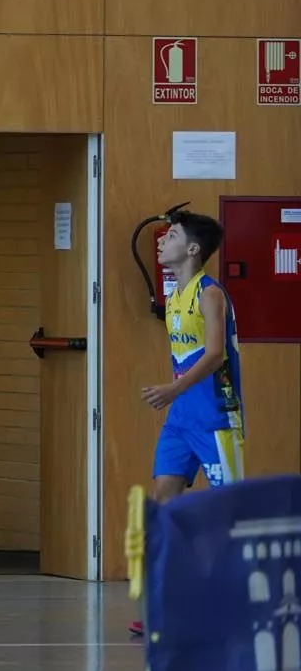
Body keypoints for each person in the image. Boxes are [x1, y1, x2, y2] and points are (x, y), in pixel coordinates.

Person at [146, 211, 243, 500]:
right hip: (180, 418)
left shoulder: (210, 294)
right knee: (163, 500)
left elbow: (215, 355)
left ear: (193, 249)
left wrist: (173, 389)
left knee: (230, 508)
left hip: (215, 418)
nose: (162, 240)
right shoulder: (175, 297)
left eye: (172, 235)